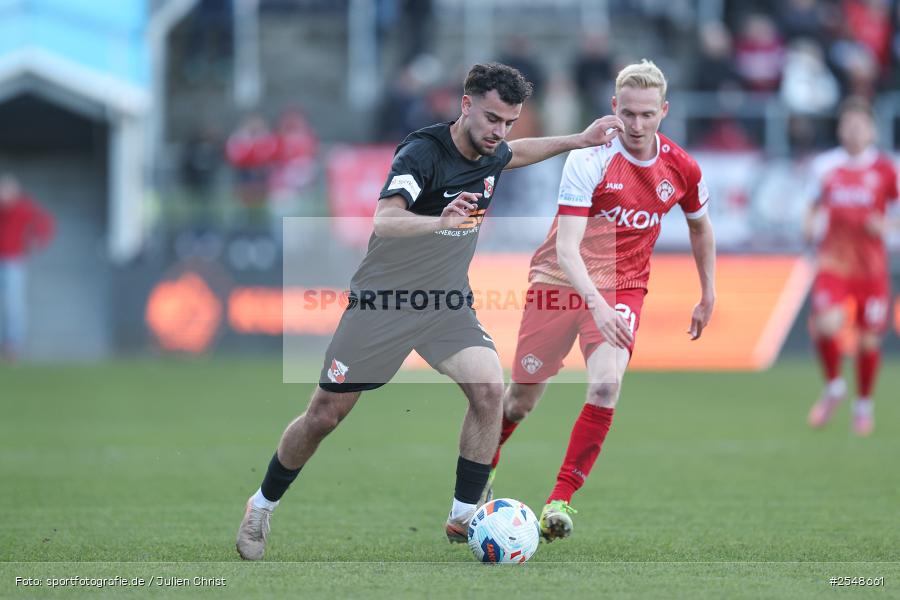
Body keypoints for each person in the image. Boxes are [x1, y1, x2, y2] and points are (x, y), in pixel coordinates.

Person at [235, 62, 625, 560]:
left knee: (488, 390)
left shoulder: (493, 148)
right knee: (324, 415)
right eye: (491, 119)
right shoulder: (422, 153)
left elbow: (514, 154)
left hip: (445, 303)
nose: (499, 132)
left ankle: (463, 516)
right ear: (465, 106)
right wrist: (438, 221)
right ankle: (262, 505)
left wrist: (579, 138)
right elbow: (386, 218)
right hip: (385, 302)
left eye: (508, 122)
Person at [486, 60, 717, 541]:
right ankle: (478, 478)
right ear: (614, 107)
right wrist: (595, 303)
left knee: (607, 385)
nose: (636, 125)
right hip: (558, 282)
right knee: (520, 401)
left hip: (623, 288)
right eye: (628, 113)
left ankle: (560, 499)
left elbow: (700, 225)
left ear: (664, 112)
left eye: (647, 115)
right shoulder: (589, 158)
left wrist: (707, 291)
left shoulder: (682, 167)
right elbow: (567, 249)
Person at [805, 98, 898, 436]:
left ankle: (863, 406)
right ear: (841, 127)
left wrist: (886, 227)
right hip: (834, 262)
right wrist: (808, 225)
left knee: (868, 342)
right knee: (826, 325)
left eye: (861, 124)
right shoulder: (826, 166)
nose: (854, 130)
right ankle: (833, 387)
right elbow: (813, 204)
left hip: (872, 269)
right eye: (849, 124)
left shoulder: (887, 169)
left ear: (872, 130)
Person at [0, 174, 54, 360]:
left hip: (14, 261)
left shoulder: (23, 208)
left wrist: (37, 241)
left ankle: (14, 345)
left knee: (14, 304)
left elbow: (45, 222)